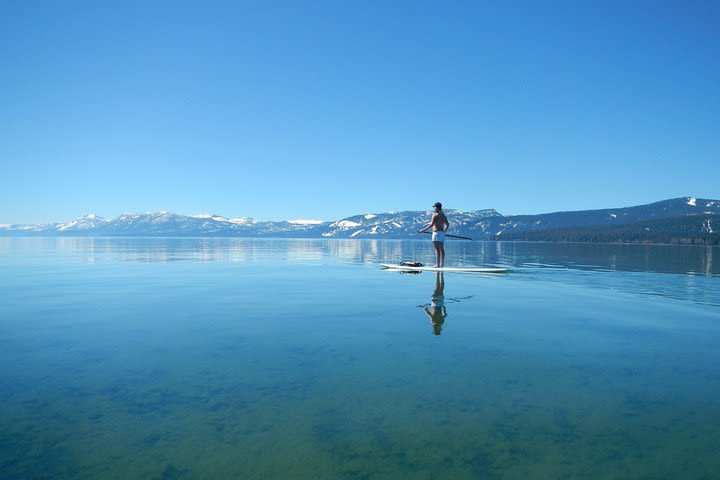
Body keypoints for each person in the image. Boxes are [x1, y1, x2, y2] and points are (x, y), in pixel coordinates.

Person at [417, 202, 449, 268]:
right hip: (442, 233)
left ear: (437, 207)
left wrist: (422, 230)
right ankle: (442, 264)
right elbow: (447, 224)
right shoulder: (443, 215)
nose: (434, 208)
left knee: (437, 249)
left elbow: (431, 225)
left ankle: (437, 264)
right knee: (442, 248)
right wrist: (444, 232)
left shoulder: (435, 214)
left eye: (434, 207)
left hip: (436, 234)